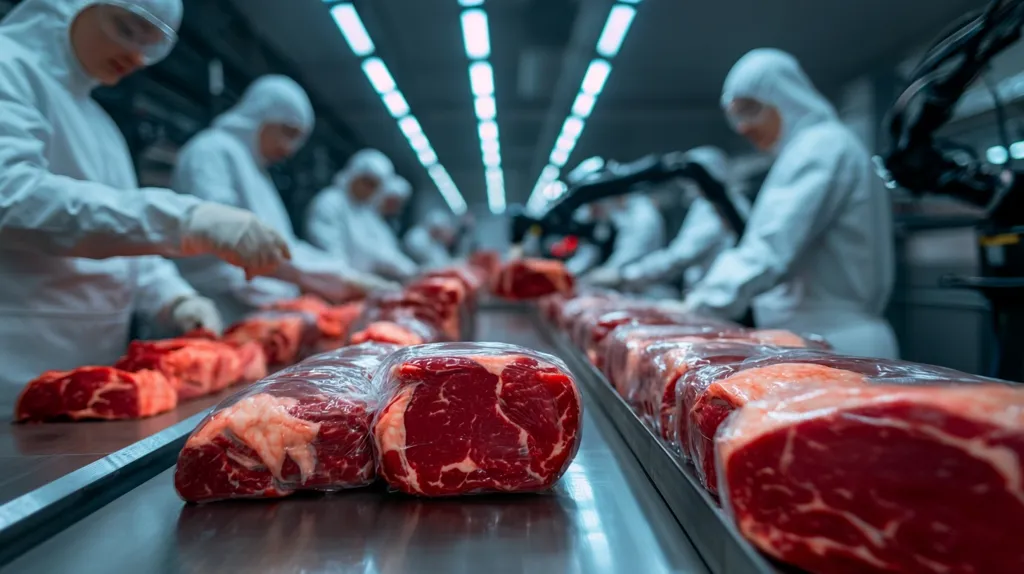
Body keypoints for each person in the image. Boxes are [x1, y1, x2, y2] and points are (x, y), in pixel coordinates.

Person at [0, 0, 292, 392]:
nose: (137, 55)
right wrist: (183, 219)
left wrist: (175, 298)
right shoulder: (10, 67)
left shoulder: (101, 126)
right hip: (13, 365)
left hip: (92, 379)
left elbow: (125, 248)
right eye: (126, 28)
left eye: (151, 44)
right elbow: (13, 198)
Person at [682, 48, 897, 359]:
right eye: (736, 116)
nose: (743, 127)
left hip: (835, 342)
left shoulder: (821, 147)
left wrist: (699, 303)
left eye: (750, 110)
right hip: (813, 339)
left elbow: (768, 250)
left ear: (784, 96)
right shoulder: (811, 148)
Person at [173, 76, 396, 324]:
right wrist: (339, 279)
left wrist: (341, 276)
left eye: (297, 139)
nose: (289, 148)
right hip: (213, 308)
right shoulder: (211, 151)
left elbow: (282, 245)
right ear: (260, 112)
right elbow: (228, 239)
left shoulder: (256, 170)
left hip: (258, 308)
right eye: (287, 132)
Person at [616, 146, 750, 291]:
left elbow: (682, 255)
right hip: (706, 293)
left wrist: (627, 275)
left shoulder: (722, 206)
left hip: (718, 294)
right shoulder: (704, 204)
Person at [306, 149, 405, 274]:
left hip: (355, 285)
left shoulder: (366, 215)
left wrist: (411, 271)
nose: (368, 189)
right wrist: (357, 281)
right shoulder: (330, 202)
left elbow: (381, 253)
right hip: (327, 280)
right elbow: (329, 251)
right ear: (354, 173)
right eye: (366, 182)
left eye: (375, 186)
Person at [578, 193, 667, 295]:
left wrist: (611, 273)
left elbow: (630, 255)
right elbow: (591, 250)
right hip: (627, 284)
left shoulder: (642, 215)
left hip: (646, 287)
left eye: (594, 206)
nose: (594, 212)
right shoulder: (616, 213)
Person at [354, 174, 419, 280]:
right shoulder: (365, 217)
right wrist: (410, 270)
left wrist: (411, 270)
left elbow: (390, 254)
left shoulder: (382, 224)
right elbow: (376, 254)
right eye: (393, 202)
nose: (396, 208)